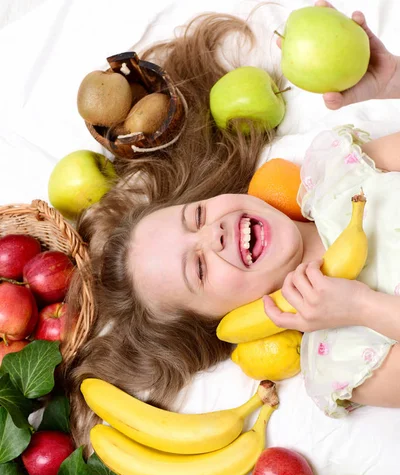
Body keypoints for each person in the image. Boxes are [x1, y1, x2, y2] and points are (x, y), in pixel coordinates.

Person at [63, 3, 400, 447]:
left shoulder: (337, 171)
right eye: (199, 268)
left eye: (197, 216)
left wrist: (392, 80)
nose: (213, 234)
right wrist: (364, 309)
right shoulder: (336, 358)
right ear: (223, 320)